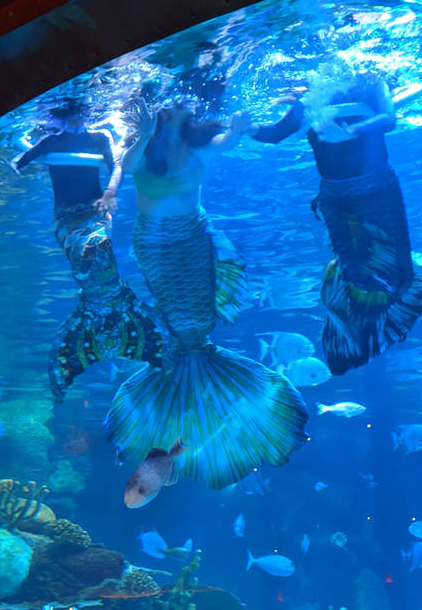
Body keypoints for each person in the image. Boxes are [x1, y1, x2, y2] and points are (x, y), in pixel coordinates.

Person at [105, 98, 309, 490]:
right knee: (178, 323)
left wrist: (236, 128)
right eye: (171, 106)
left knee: (194, 324)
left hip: (194, 240)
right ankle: (187, 392)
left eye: (184, 106)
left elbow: (228, 142)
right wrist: (145, 134)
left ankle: (198, 399)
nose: (178, 107)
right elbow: (124, 167)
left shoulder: (202, 142)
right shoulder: (140, 142)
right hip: (153, 243)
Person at [251, 74, 422, 375]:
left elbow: (389, 119)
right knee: (352, 266)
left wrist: (350, 132)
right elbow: (275, 134)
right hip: (333, 193)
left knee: (387, 269)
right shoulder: (309, 96)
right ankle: (360, 337)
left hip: (376, 187)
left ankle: (364, 337)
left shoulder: (369, 82)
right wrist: (246, 129)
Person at [12, 99, 165, 402]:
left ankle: (105, 310)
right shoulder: (51, 141)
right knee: (83, 252)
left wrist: (109, 193)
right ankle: (102, 315)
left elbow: (117, 165)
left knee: (98, 245)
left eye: (77, 116)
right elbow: (19, 161)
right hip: (66, 219)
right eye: (69, 118)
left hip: (97, 211)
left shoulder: (100, 137)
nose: (74, 122)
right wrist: (21, 166)